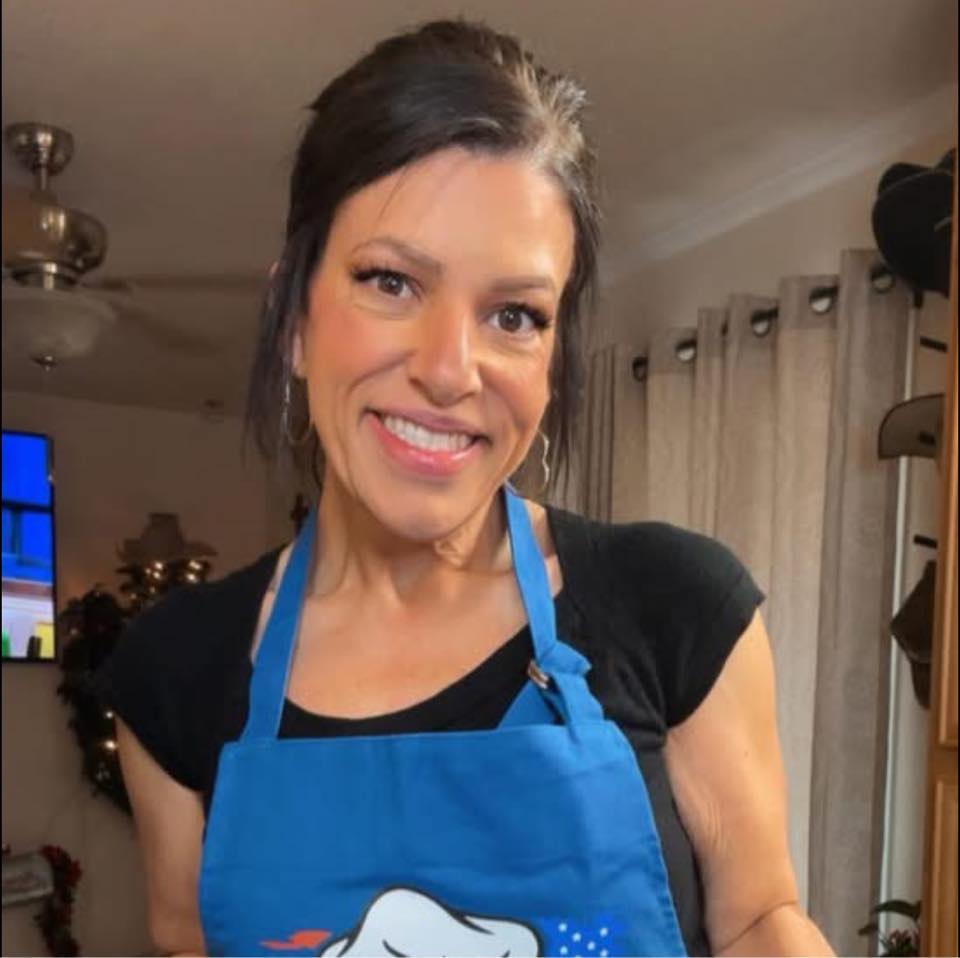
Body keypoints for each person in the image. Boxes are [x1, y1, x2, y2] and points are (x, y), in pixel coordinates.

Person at [100, 19, 835, 958]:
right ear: (293, 314)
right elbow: (183, 944)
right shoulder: (175, 668)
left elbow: (760, 921)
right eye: (392, 282)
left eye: (515, 314)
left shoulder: (677, 608)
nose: (452, 370)